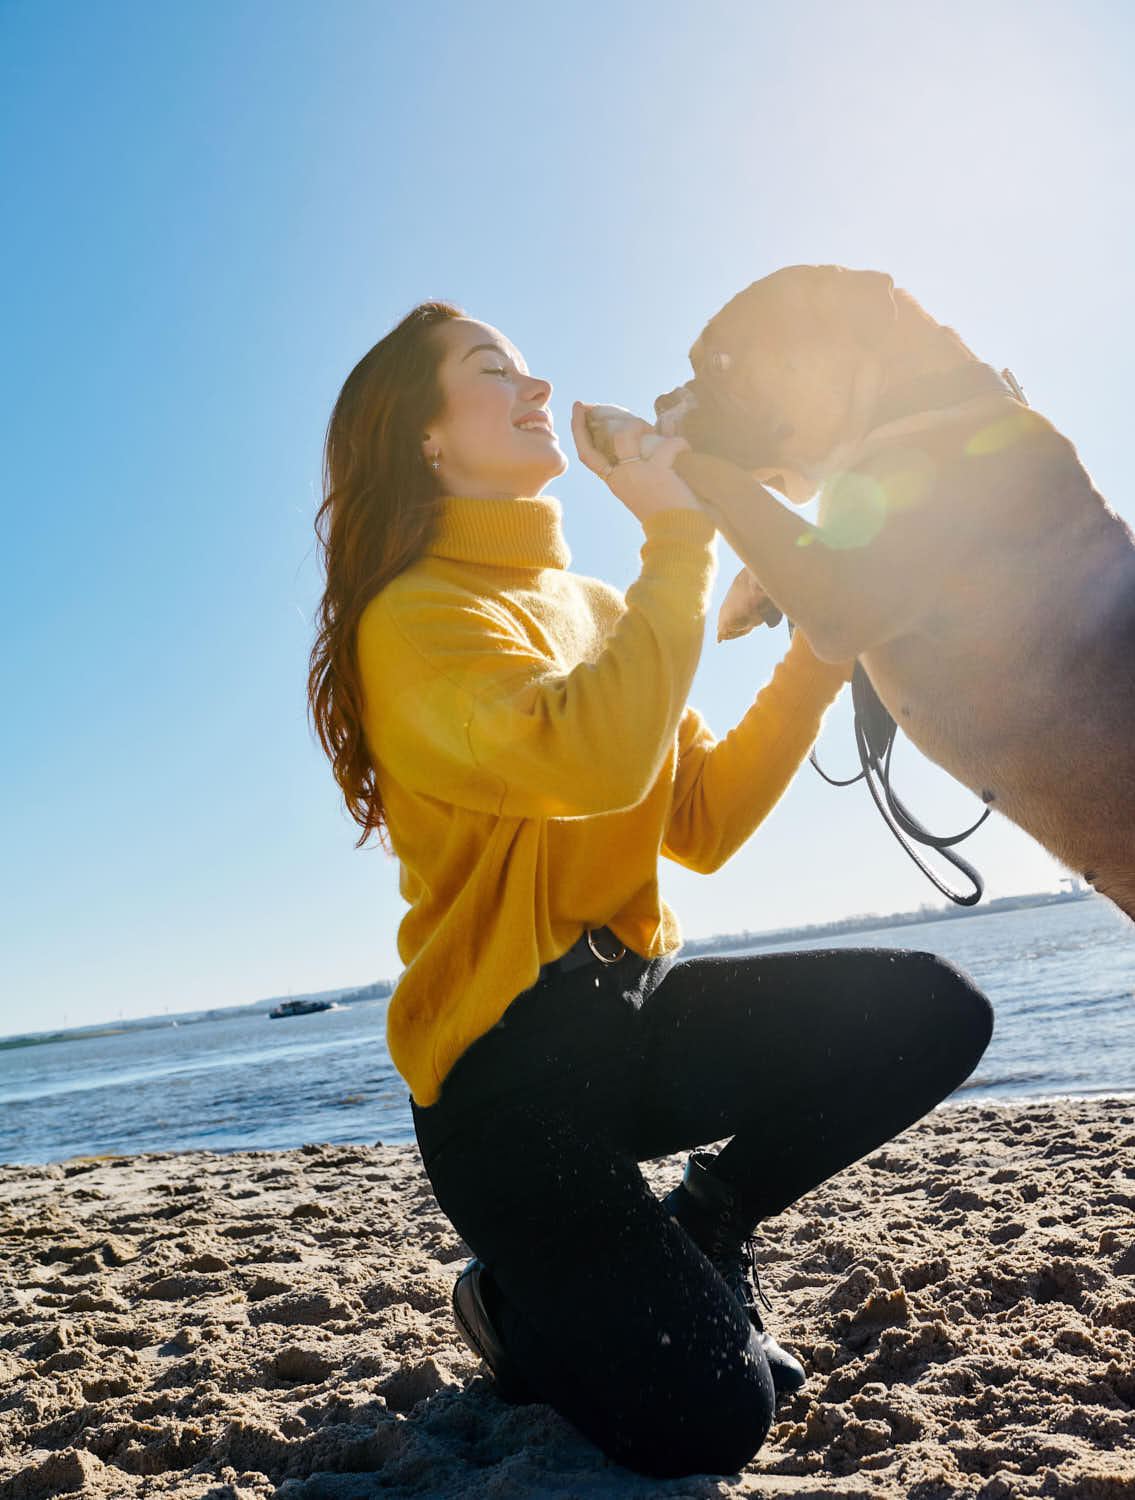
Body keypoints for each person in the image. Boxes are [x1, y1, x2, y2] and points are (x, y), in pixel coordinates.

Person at [308, 301, 993, 1479]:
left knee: (936, 1012)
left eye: (530, 369)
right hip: (503, 1086)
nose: (536, 388)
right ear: (422, 436)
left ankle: (710, 1219)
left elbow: (705, 819)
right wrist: (679, 536)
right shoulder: (415, 621)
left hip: (636, 1015)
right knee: (717, 1419)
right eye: (492, 373)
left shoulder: (601, 609)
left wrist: (822, 646)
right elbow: (592, 759)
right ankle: (507, 1310)